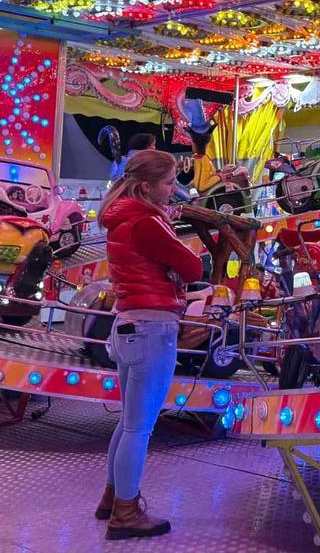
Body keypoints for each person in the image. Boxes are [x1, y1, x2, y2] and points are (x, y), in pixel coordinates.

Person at [95, 149, 209, 540]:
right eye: (168, 182)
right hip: (152, 327)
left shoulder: (122, 218)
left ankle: (113, 496)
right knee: (140, 428)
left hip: (129, 323)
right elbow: (193, 268)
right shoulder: (145, 223)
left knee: (128, 423)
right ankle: (125, 513)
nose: (173, 188)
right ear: (146, 186)